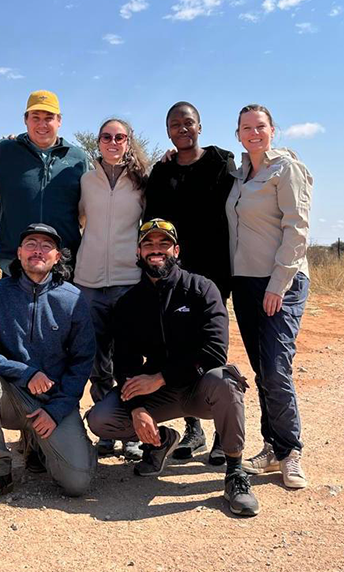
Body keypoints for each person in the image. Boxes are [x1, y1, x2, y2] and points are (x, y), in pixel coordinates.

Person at [86, 219, 259, 517]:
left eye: (163, 244)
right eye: (149, 245)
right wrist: (138, 406)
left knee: (226, 381)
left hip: (199, 388)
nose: (157, 250)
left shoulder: (202, 289)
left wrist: (161, 377)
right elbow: (124, 361)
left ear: (176, 250)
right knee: (101, 418)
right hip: (158, 396)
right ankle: (162, 442)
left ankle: (235, 473)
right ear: (139, 253)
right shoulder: (129, 303)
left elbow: (215, 352)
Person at [0, 224, 96, 505]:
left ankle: (40, 444)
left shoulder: (73, 299)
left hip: (52, 401)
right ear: (19, 253)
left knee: (77, 482)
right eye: (31, 243)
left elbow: (82, 362)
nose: (38, 250)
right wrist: (26, 372)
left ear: (58, 257)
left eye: (46, 246)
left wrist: (56, 411)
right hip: (11, 395)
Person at [145, 101, 238, 464]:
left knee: (213, 347)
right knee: (176, 346)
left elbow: (251, 171)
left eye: (188, 123)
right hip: (173, 274)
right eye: (175, 124)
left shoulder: (220, 162)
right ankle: (192, 429)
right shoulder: (161, 172)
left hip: (215, 273)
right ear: (167, 131)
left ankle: (220, 433)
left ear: (199, 126)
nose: (182, 129)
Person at [227, 104, 313, 489]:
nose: (254, 133)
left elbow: (297, 228)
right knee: (263, 369)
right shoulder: (240, 172)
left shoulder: (287, 169)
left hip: (282, 281)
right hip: (245, 281)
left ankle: (290, 451)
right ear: (238, 133)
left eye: (260, 126)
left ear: (273, 130)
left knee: (277, 367)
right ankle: (271, 447)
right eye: (246, 128)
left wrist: (278, 284)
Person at [73, 118, 149, 462]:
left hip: (129, 281)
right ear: (98, 142)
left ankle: (130, 432)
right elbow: (77, 219)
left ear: (128, 142)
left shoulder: (142, 182)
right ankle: (106, 429)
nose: (113, 142)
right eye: (107, 136)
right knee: (95, 359)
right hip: (88, 281)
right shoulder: (86, 181)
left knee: (128, 358)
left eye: (120, 137)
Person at [0, 90, 91, 275]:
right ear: (25, 120)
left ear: (59, 121)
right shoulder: (5, 150)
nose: (42, 124)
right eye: (35, 117)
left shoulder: (78, 158)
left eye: (49, 118)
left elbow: (88, 202)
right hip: (15, 262)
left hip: (64, 264)